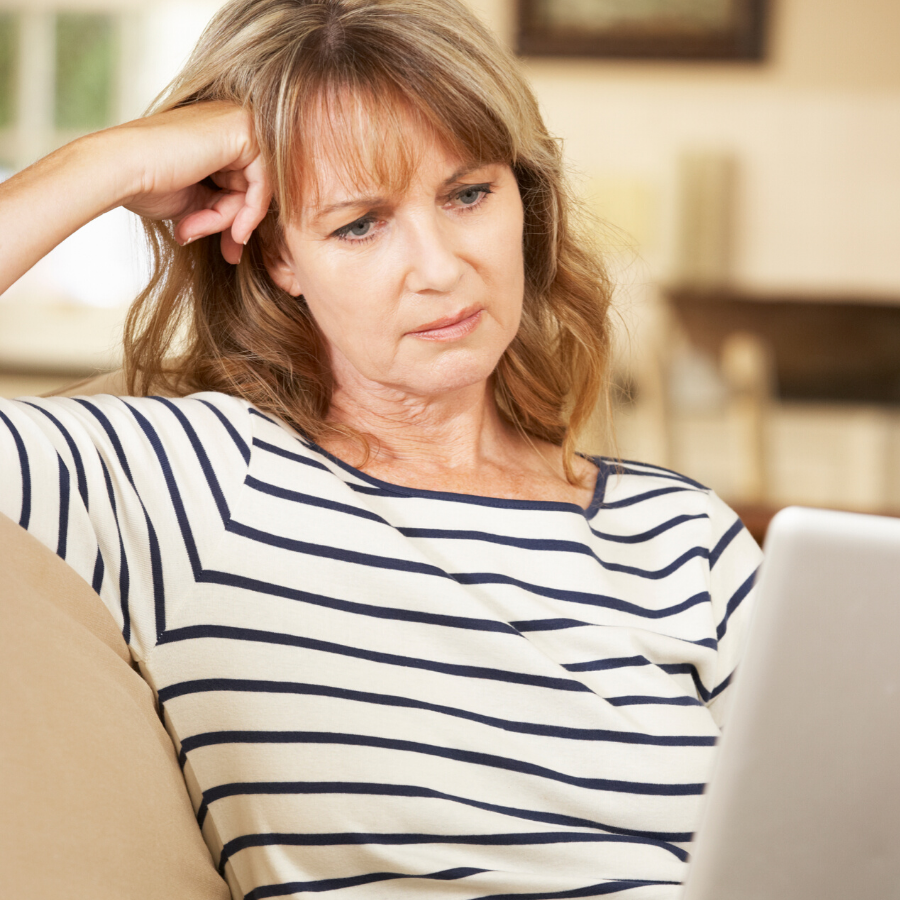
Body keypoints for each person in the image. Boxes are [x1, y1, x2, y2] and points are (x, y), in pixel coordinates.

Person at [0, 0, 762, 896]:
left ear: (524, 199)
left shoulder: (683, 533)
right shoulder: (197, 480)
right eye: (359, 223)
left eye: (467, 193)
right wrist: (112, 161)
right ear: (278, 256)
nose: (439, 267)